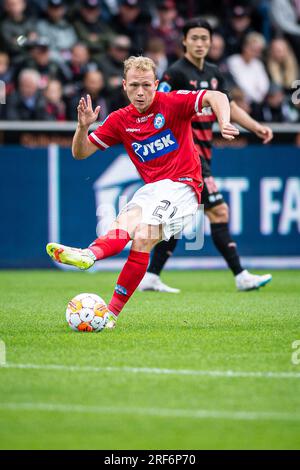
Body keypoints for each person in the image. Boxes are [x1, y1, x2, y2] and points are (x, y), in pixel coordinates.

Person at [46, 55, 238, 329]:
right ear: (124, 85)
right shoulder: (119, 120)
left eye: (147, 85)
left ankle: (91, 256)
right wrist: (82, 127)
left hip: (184, 186)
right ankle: (108, 310)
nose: (140, 92)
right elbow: (80, 153)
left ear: (156, 84)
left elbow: (216, 96)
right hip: (153, 190)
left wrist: (224, 120)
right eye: (134, 85)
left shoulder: (171, 102)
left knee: (143, 232)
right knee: (129, 228)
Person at [138, 18, 273, 294]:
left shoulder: (214, 72)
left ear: (211, 42)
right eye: (195, 38)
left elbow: (229, 104)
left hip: (203, 156)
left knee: (177, 217)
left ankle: (150, 274)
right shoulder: (174, 74)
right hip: (187, 159)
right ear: (184, 41)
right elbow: (157, 105)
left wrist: (255, 126)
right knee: (219, 210)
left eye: (205, 38)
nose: (200, 43)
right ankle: (241, 275)